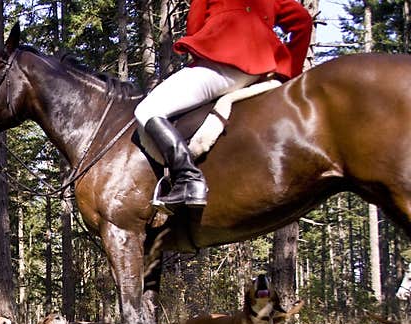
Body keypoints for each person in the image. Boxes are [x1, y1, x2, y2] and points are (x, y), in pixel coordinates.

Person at [134, 0, 313, 212]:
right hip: (260, 67)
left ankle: (188, 179)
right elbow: (303, 20)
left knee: (147, 110)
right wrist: (287, 71)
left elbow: (195, 26)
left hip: (221, 64)